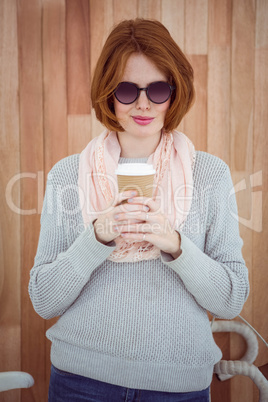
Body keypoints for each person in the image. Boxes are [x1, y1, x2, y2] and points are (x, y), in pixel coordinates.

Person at [29, 18, 249, 402]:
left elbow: (231, 299)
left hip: (178, 387)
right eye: (128, 90)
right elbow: (44, 301)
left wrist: (177, 245)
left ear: (174, 92)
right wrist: (96, 237)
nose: (144, 103)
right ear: (109, 94)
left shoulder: (210, 175)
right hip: (80, 381)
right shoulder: (67, 175)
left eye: (158, 89)